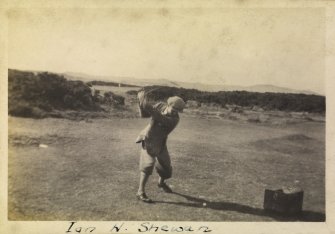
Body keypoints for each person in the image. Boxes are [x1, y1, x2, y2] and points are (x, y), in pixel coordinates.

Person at [135, 90, 185, 203]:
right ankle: (140, 192)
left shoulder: (174, 119)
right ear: (169, 104)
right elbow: (145, 114)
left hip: (161, 142)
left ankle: (161, 183)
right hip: (148, 139)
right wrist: (141, 103)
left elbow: (157, 116)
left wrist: (144, 101)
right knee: (147, 166)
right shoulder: (160, 106)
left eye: (178, 111)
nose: (175, 112)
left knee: (166, 168)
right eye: (174, 109)